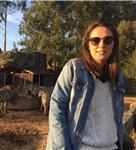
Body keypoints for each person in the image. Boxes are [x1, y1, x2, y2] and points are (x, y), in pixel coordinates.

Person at [46, 20, 125, 150]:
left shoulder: (117, 75)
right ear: (88, 44)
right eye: (95, 40)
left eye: (108, 40)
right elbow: (56, 109)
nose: (101, 45)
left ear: (114, 44)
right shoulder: (74, 68)